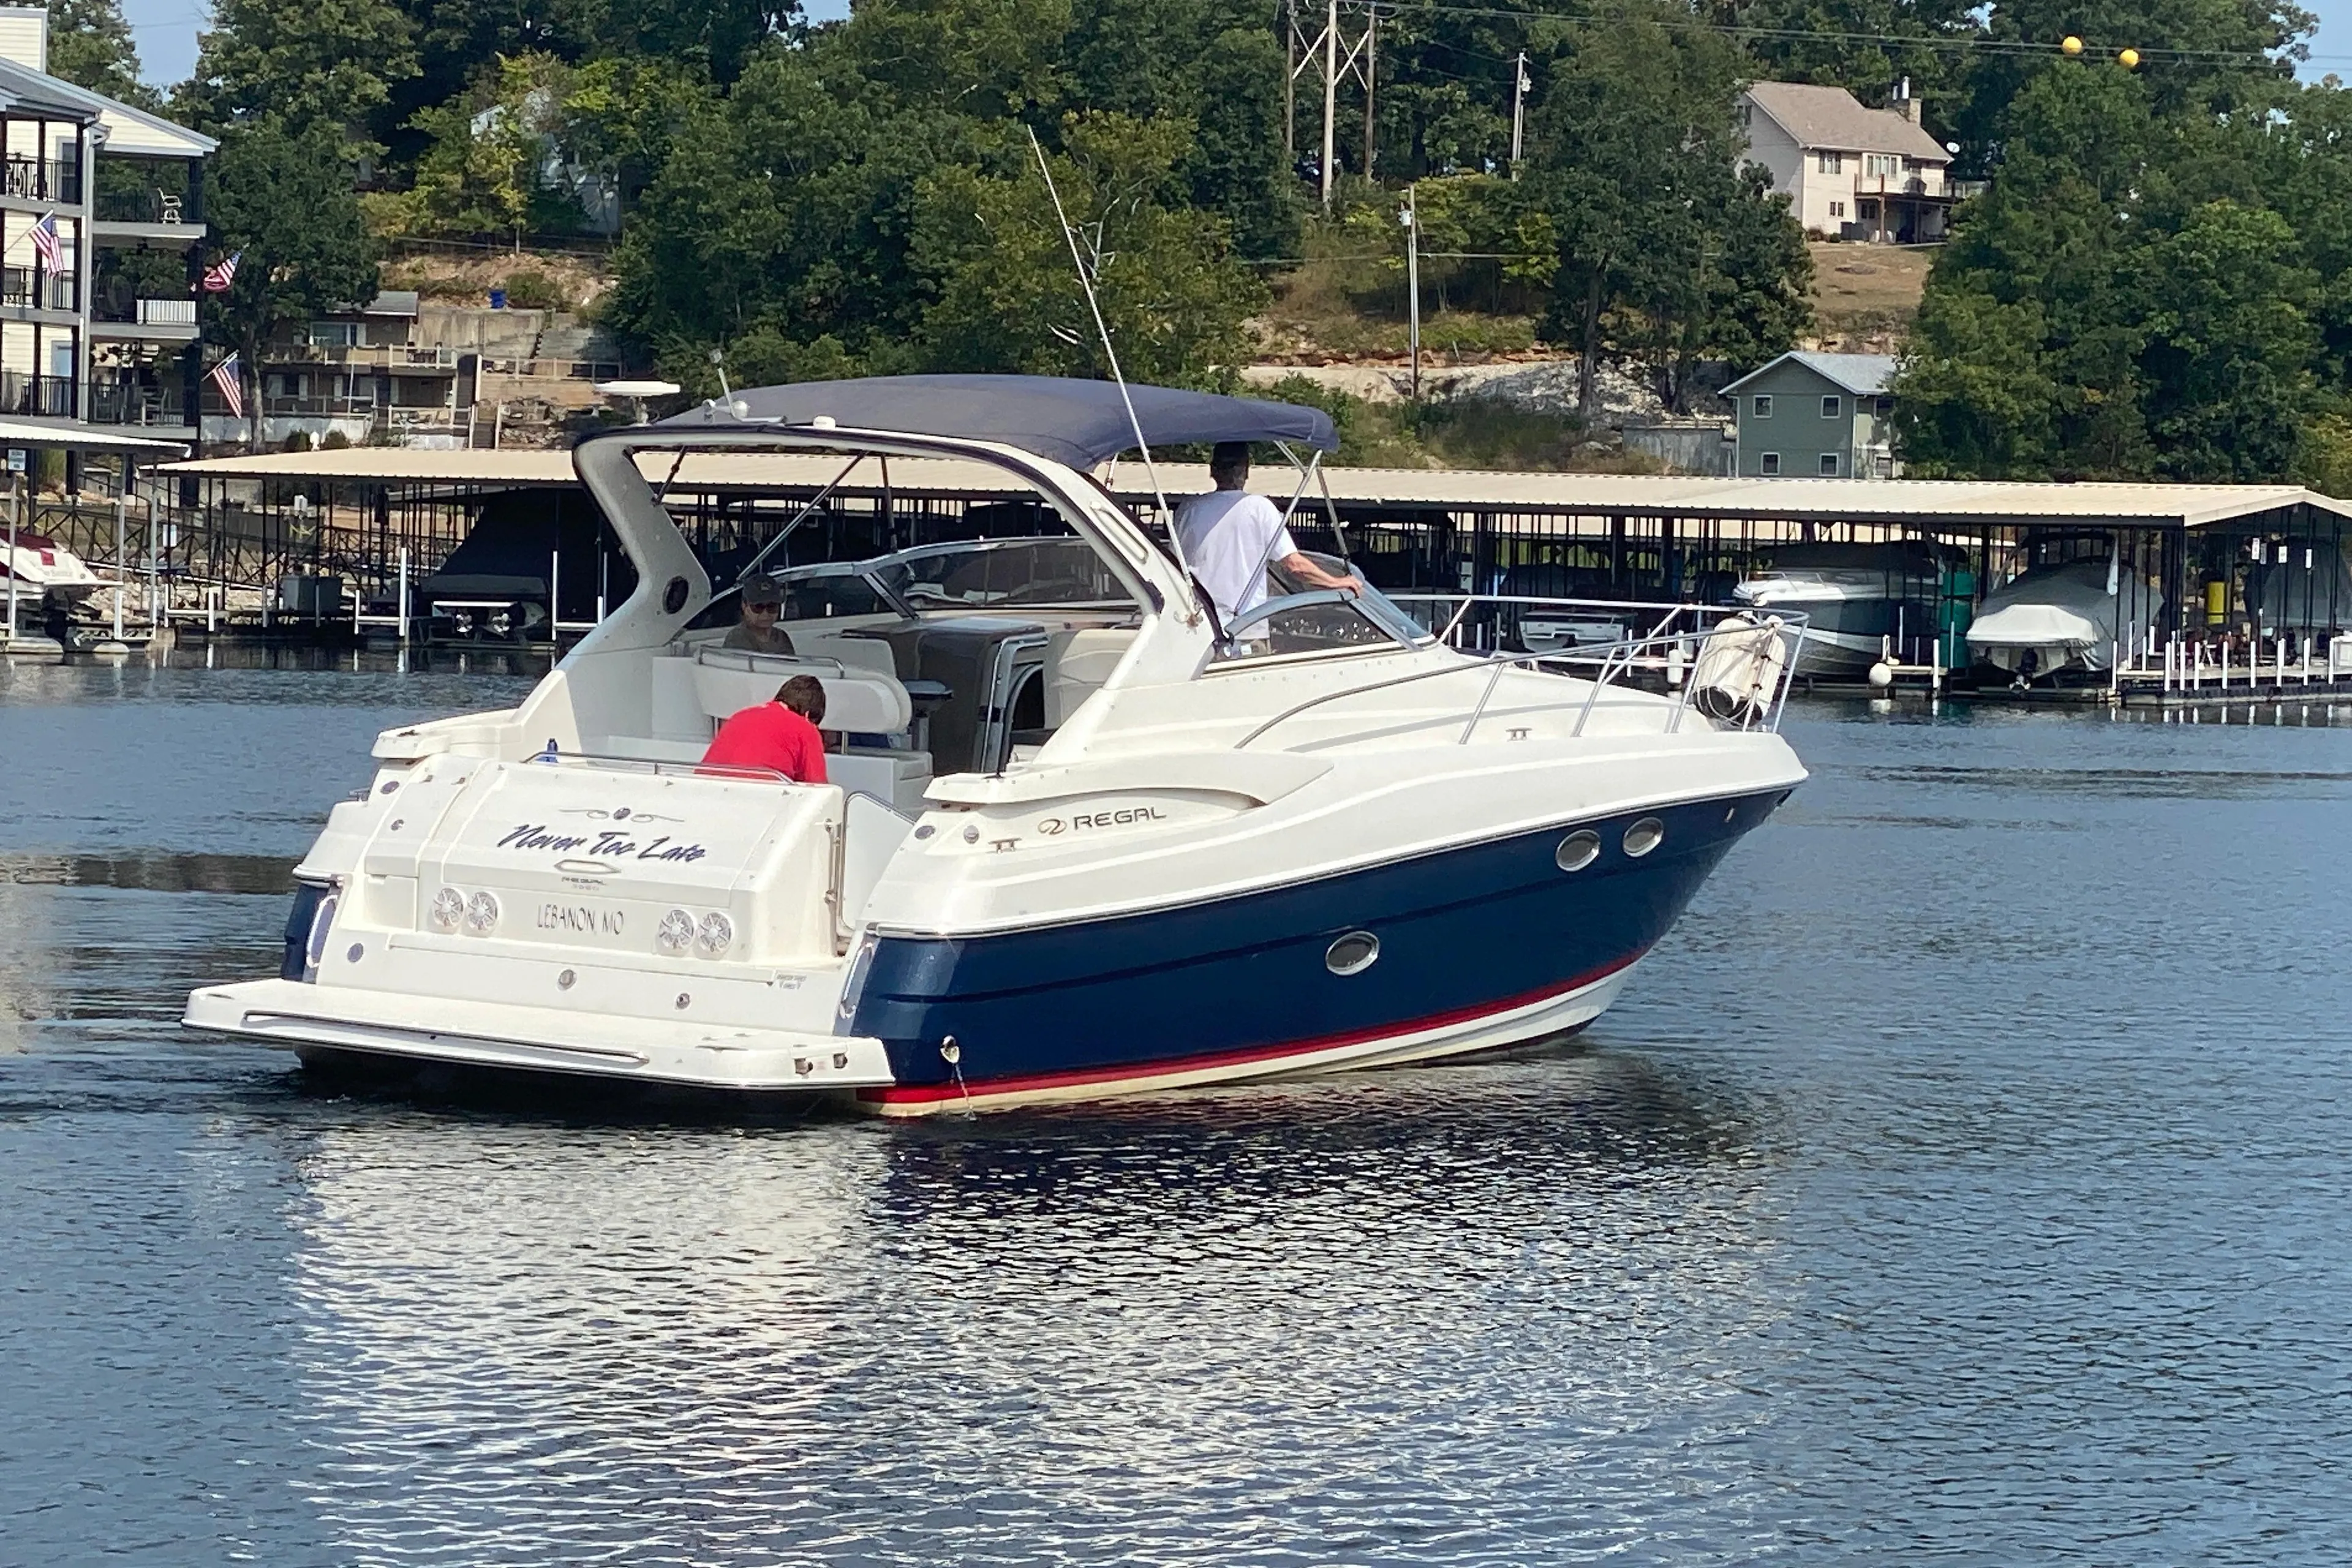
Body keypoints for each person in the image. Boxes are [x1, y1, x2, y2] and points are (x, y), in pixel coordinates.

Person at [1174, 441, 1360, 628]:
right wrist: (1336, 582)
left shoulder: (1188, 509)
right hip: (1245, 627)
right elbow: (1295, 565)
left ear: (1213, 471)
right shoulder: (1260, 508)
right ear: (1245, 471)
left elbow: (1172, 563)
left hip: (1198, 625)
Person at [701, 674, 829, 783]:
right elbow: (819, 789)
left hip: (704, 790)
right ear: (808, 715)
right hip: (759, 798)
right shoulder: (806, 728)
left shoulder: (740, 715)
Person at [722, 579, 796, 655]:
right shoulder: (737, 638)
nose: (765, 614)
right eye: (758, 607)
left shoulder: (782, 637)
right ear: (745, 606)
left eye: (772, 607)